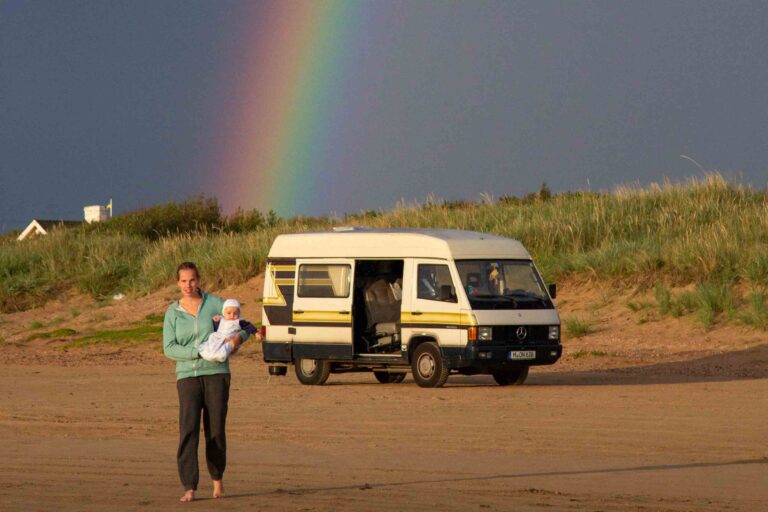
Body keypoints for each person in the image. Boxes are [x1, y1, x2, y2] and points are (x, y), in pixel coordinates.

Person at [162, 262, 260, 502]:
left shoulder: (216, 303)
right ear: (178, 283)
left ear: (199, 280)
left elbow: (242, 324)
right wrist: (198, 351)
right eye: (183, 281)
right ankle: (189, 486)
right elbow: (169, 348)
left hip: (217, 374)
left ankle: (217, 480)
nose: (188, 285)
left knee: (215, 429)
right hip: (187, 376)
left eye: (192, 280)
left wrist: (238, 339)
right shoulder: (172, 313)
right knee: (189, 429)